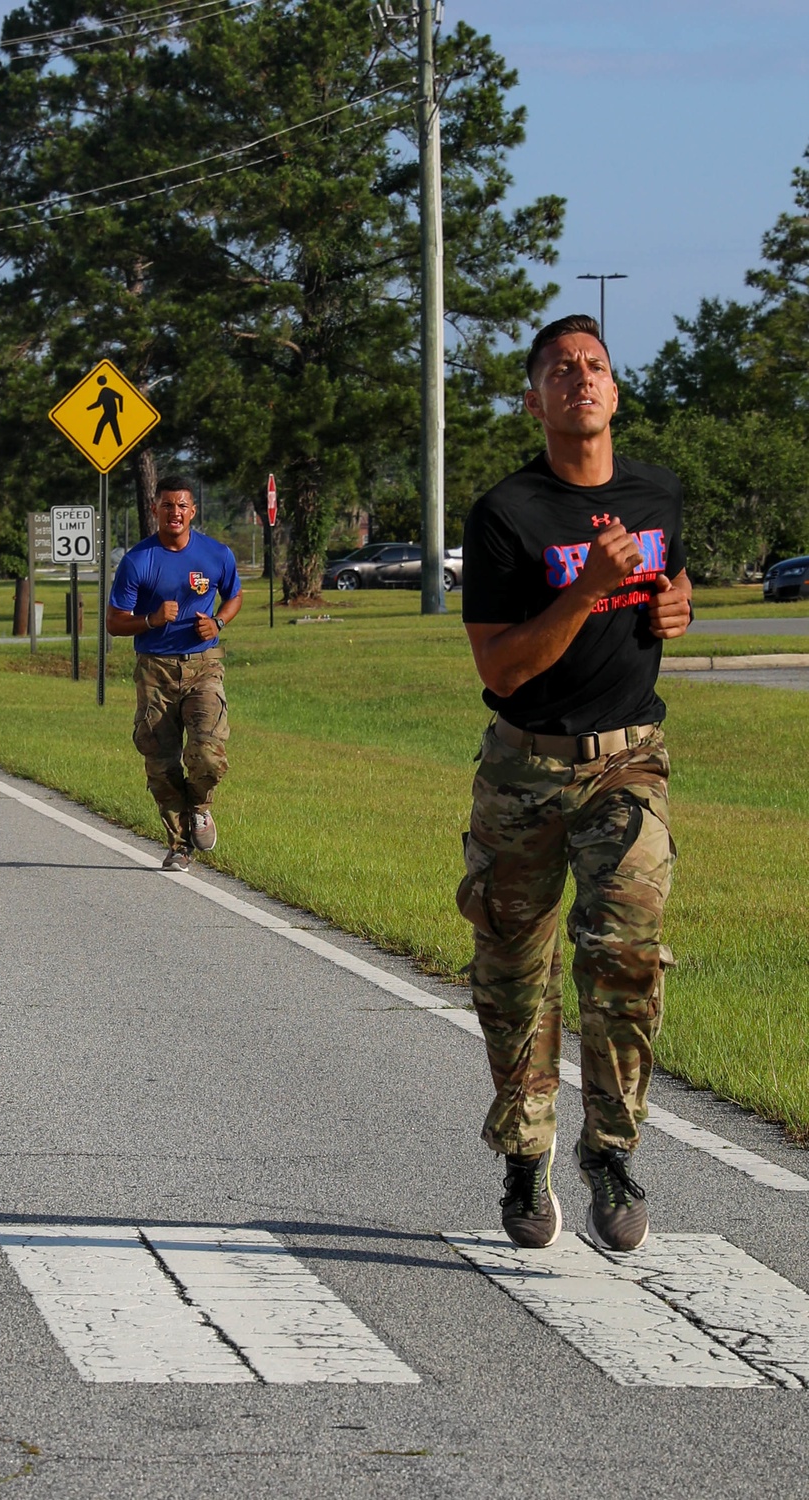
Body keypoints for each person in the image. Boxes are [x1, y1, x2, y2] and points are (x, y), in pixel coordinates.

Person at [457, 314, 693, 1253]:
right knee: (515, 972)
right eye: (560, 370)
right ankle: (525, 1154)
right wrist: (588, 586)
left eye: (595, 367)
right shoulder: (506, 513)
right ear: (534, 399)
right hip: (525, 767)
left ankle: (611, 1150)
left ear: (615, 392)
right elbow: (504, 667)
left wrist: (678, 606)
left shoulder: (658, 494)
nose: (581, 380)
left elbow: (669, 598)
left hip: (630, 761)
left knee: (624, 955)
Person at [106, 474, 243, 872]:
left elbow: (233, 595)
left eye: (182, 506)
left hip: (203, 666)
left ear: (192, 510)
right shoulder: (138, 561)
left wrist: (218, 622)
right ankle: (180, 845)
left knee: (208, 755)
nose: (175, 513)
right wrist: (150, 619)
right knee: (161, 763)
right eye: (167, 505)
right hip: (155, 670)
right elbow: (115, 622)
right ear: (155, 510)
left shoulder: (216, 554)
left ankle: (200, 806)